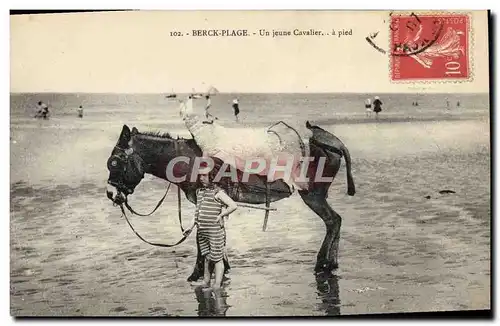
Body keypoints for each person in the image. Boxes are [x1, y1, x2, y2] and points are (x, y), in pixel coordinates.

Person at [188, 163, 238, 290]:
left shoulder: (218, 192)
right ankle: (206, 281)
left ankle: (217, 284)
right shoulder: (199, 192)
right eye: (200, 175)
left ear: (212, 176)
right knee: (206, 257)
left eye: (205, 175)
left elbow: (233, 205)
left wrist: (221, 215)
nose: (201, 178)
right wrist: (191, 226)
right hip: (202, 230)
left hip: (214, 231)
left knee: (217, 258)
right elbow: (197, 211)